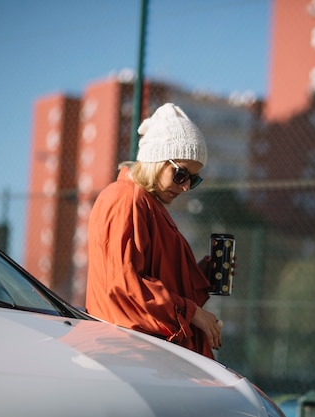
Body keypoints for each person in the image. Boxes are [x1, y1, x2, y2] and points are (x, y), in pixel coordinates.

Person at [85, 102, 223, 359]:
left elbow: (154, 285)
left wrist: (206, 273)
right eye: (180, 174)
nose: (184, 187)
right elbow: (126, 287)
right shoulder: (126, 199)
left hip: (144, 355)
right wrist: (191, 313)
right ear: (156, 160)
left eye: (193, 180)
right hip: (133, 357)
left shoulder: (147, 205)